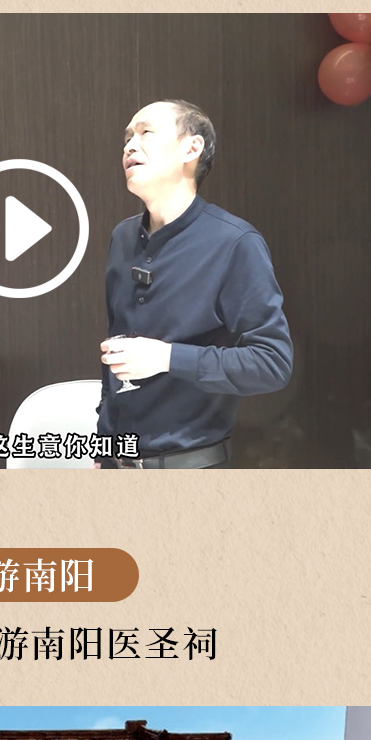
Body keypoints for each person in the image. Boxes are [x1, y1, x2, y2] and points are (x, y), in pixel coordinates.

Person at [98, 98, 293, 469]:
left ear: (191, 148)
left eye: (145, 132)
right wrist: (103, 448)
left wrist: (167, 358)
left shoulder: (234, 242)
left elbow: (272, 363)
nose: (130, 146)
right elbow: (115, 361)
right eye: (127, 138)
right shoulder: (122, 238)